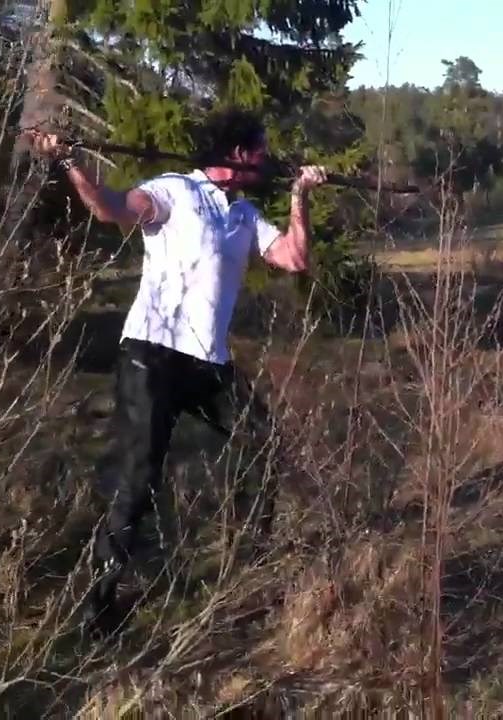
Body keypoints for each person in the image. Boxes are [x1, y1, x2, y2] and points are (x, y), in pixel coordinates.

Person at [26, 109, 326, 637]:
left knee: (263, 444)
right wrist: (68, 159)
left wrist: (301, 194)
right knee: (139, 480)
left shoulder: (245, 214)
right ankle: (100, 608)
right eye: (259, 150)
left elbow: (295, 258)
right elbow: (110, 208)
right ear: (236, 154)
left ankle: (248, 561)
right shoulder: (173, 191)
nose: (265, 160)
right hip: (153, 354)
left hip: (207, 360)